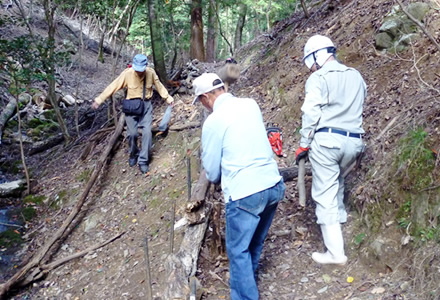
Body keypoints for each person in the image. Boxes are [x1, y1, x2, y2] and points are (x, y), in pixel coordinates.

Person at [192, 73, 285, 300]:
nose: (203, 107)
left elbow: (212, 172)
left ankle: (244, 296)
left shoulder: (213, 121)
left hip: (245, 193)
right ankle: (247, 283)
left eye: (201, 102)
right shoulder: (250, 105)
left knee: (237, 251)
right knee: (253, 242)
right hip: (273, 184)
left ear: (205, 98)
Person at [295, 35, 366, 265]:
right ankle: (341, 225)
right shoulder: (356, 75)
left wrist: (304, 143)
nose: (311, 67)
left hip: (327, 142)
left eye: (311, 61)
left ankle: (336, 254)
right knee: (337, 183)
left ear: (317, 55)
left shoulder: (318, 78)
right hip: (354, 141)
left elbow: (311, 113)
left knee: (324, 192)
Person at [91, 54, 174, 174]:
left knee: (147, 133)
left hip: (146, 106)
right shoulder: (127, 74)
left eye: (141, 70)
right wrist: (99, 100)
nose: (139, 72)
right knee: (132, 134)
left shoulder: (150, 73)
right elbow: (113, 86)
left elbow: (159, 86)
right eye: (137, 70)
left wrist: (168, 98)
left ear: (146, 67)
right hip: (131, 106)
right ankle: (133, 154)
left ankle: (143, 160)